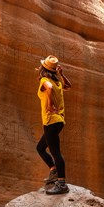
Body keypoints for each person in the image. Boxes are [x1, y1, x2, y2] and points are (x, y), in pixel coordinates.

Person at [35, 55, 72, 195]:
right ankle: (53, 171)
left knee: (56, 152)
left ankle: (62, 184)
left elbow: (48, 88)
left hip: (51, 120)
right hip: (59, 121)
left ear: (43, 69)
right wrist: (61, 75)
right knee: (40, 148)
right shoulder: (58, 82)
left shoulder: (45, 81)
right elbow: (68, 86)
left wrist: (49, 105)